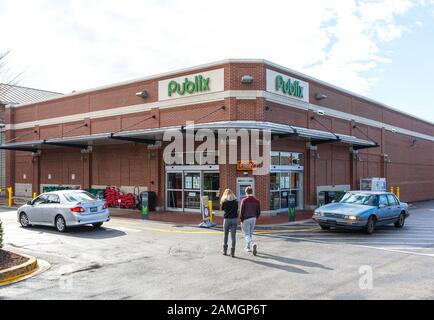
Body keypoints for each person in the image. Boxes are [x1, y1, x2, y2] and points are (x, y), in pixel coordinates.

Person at [240, 186, 260, 256]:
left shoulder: (244, 200)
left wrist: (241, 219)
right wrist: (256, 217)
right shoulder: (257, 201)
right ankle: (248, 247)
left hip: (246, 218)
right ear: (252, 192)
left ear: (246, 192)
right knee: (250, 233)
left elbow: (242, 211)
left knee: (246, 234)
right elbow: (258, 211)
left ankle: (252, 244)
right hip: (253, 218)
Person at [220, 189, 238, 258]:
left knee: (225, 235)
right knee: (233, 237)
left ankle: (225, 251)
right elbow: (236, 210)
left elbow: (222, 209)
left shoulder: (224, 202)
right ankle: (232, 252)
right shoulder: (236, 202)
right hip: (234, 219)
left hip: (227, 219)